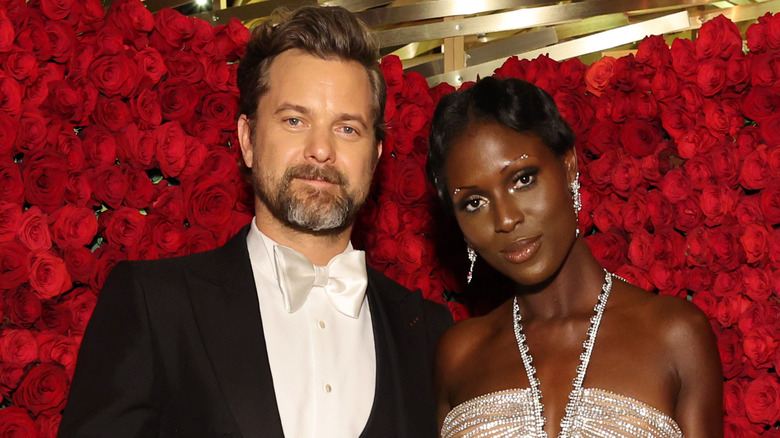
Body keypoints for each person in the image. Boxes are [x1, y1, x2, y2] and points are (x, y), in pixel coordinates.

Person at [59, 6, 452, 438]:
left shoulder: (429, 334)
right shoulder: (155, 305)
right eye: (294, 120)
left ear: (375, 157)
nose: (320, 150)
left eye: (347, 129)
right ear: (248, 139)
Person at [427, 77, 722, 437]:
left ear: (568, 166)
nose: (505, 219)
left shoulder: (675, 335)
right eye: (474, 203)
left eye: (522, 180)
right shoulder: (458, 356)